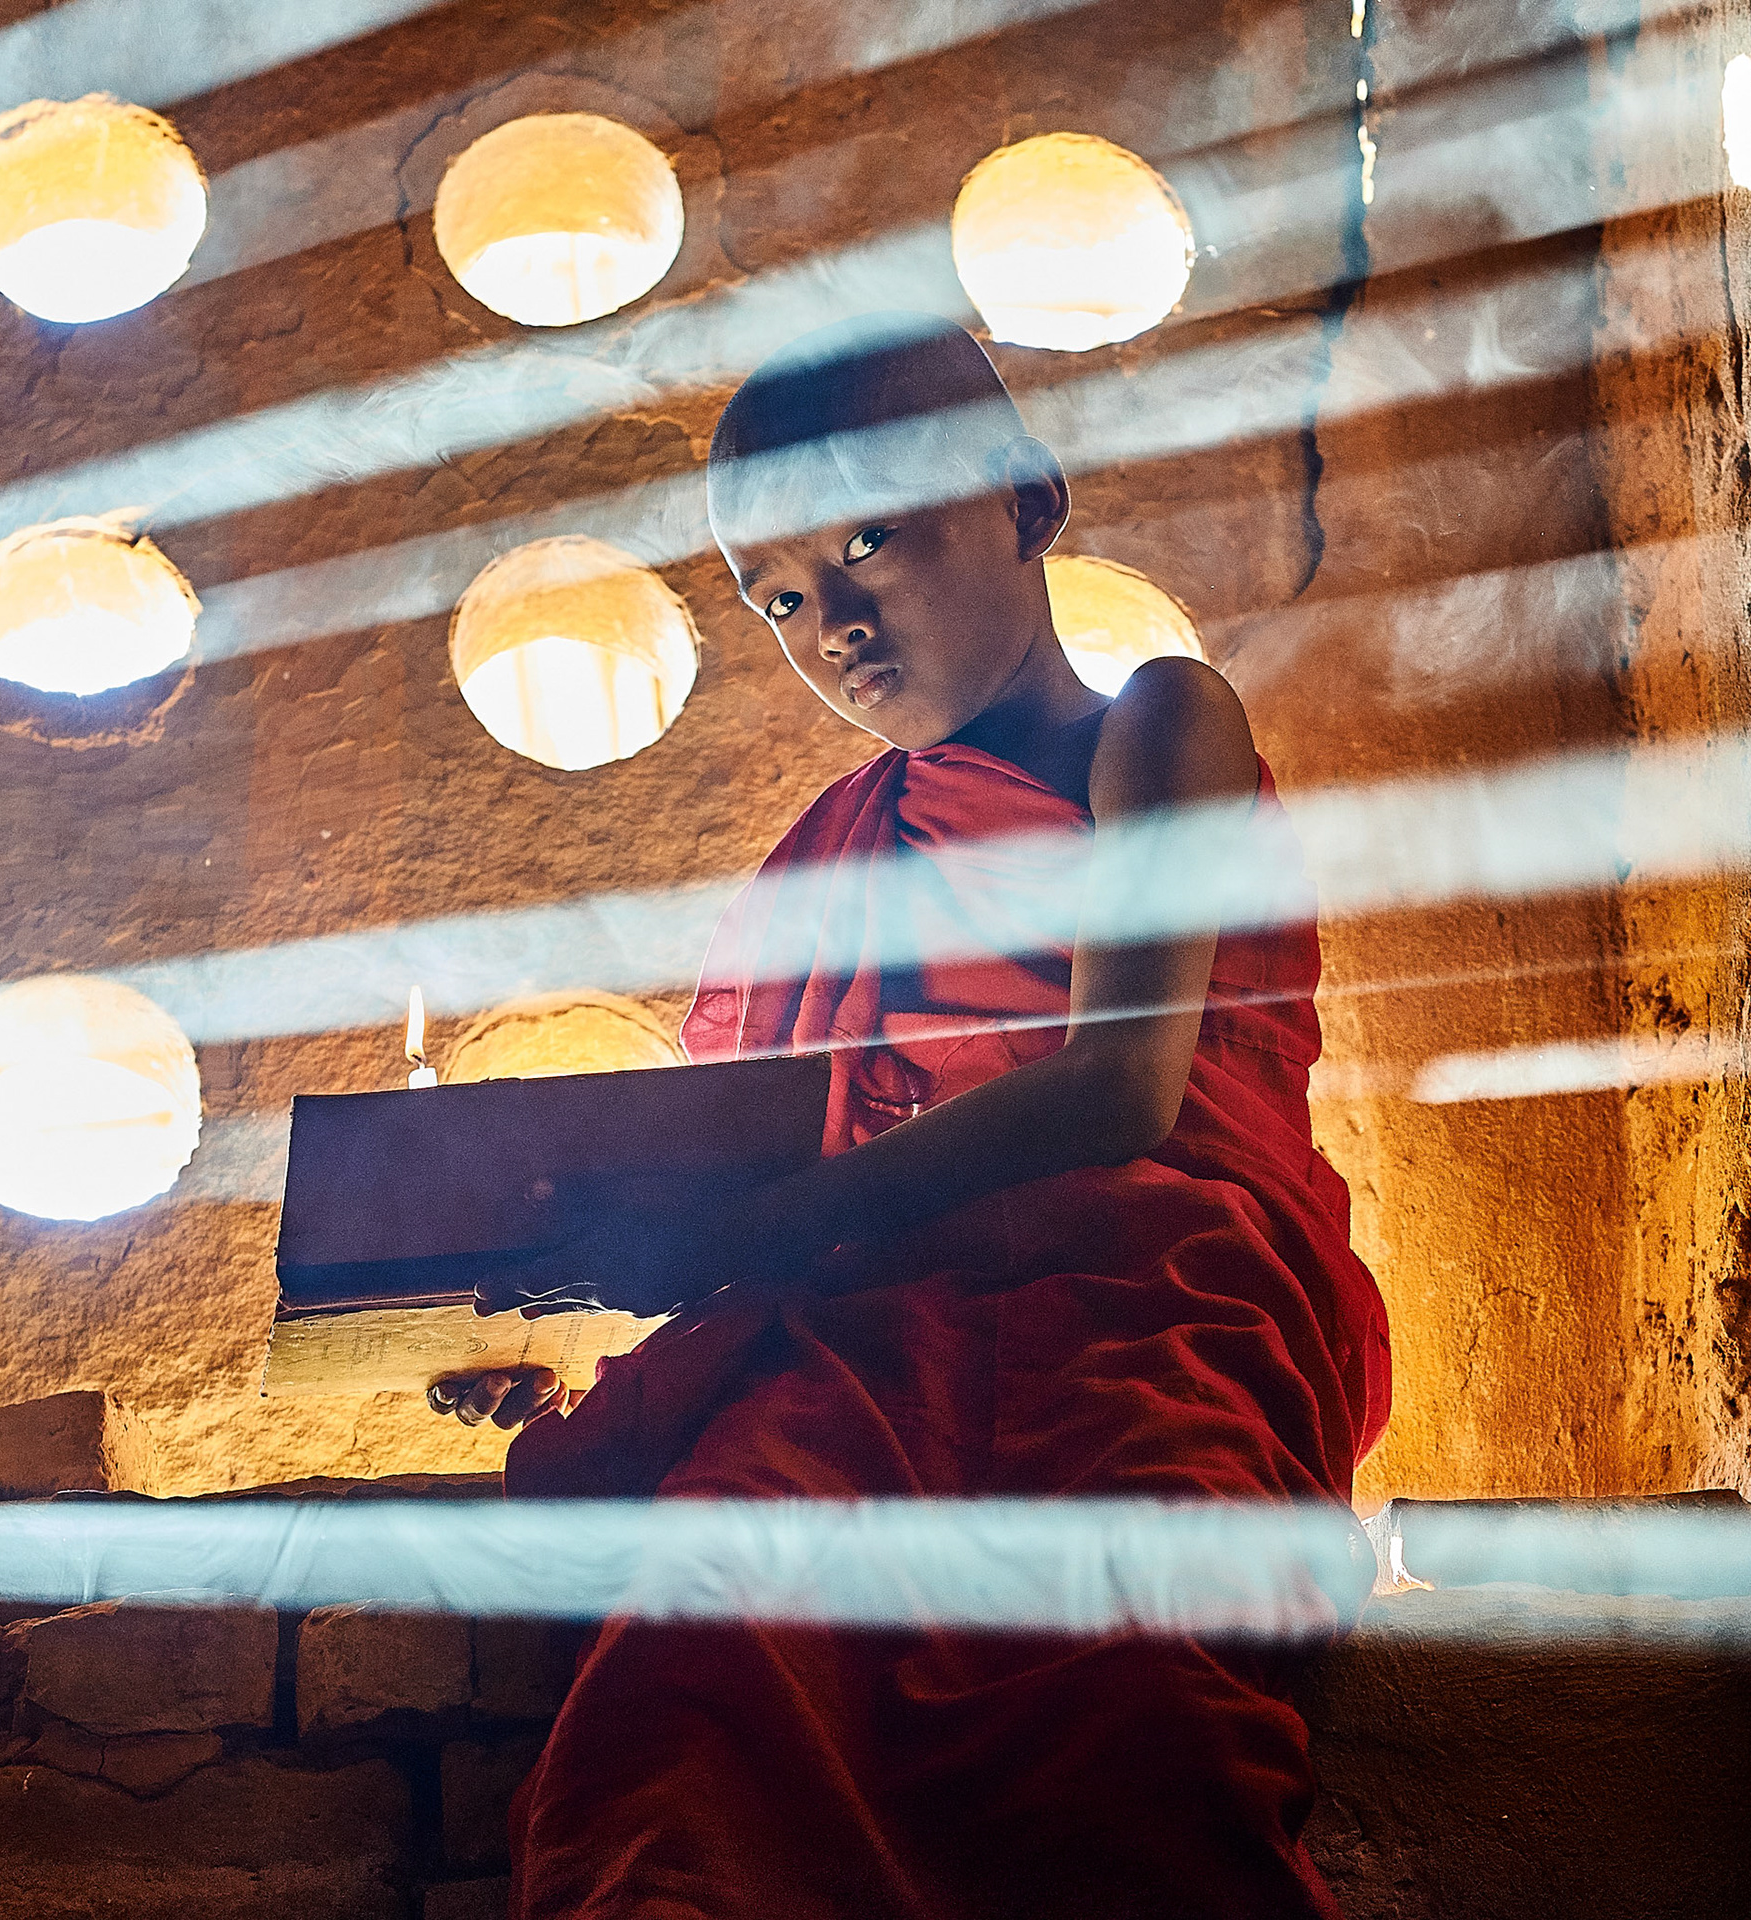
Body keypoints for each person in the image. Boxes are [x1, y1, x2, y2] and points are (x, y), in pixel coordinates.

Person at [427, 311, 1391, 1920]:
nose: (837, 625)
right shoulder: (832, 854)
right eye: (783, 599)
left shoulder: (1157, 726)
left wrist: (739, 1235)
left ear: (1029, 499)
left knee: (1136, 1728)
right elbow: (759, 1149)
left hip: (1140, 1312)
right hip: (860, 1343)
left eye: (872, 540)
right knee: (676, 1723)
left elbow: (1123, 1086)